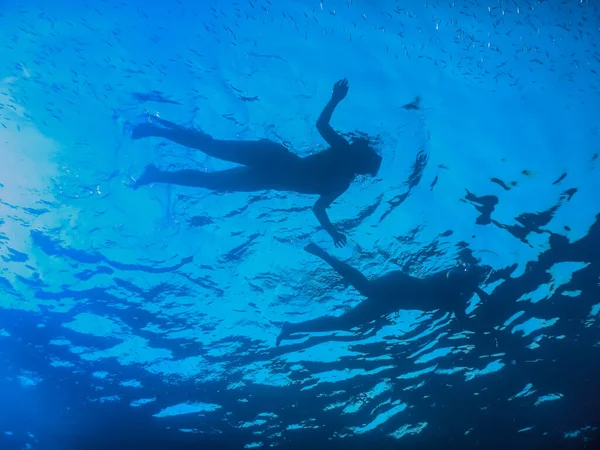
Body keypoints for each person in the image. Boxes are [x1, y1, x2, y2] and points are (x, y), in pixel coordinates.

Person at [130, 79, 382, 247]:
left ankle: (156, 174)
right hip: (272, 157)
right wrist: (335, 99)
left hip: (268, 179)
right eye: (370, 167)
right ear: (365, 159)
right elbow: (321, 125)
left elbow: (318, 209)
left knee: (211, 183)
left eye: (370, 172)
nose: (367, 173)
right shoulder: (343, 151)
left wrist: (332, 232)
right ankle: (157, 130)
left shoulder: (342, 184)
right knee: (211, 147)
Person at [276, 243, 491, 346]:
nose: (473, 283)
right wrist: (479, 291)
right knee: (366, 289)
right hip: (399, 284)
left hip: (394, 303)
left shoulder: (457, 300)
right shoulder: (456, 276)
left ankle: (292, 327)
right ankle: (322, 254)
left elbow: (464, 323)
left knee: (345, 324)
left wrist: (487, 332)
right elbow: (455, 275)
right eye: (474, 279)